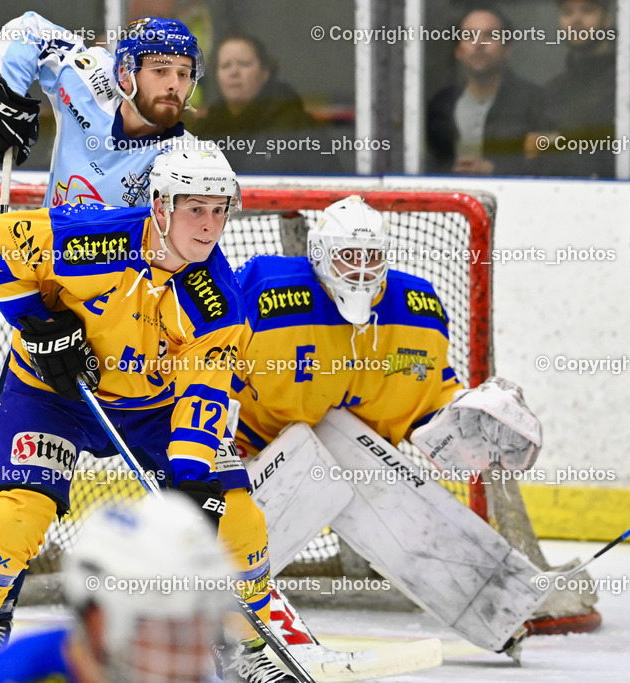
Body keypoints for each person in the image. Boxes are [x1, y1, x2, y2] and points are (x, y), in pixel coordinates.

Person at [0, 144, 293, 683]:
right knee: (13, 519)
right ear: (160, 206)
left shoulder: (219, 303)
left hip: (157, 411)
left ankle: (245, 649)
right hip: (53, 396)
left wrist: (194, 484)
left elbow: (203, 397)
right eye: (195, 208)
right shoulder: (92, 239)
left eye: (219, 210)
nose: (210, 225)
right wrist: (38, 324)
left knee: (239, 522)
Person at [231, 196, 551, 657]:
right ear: (319, 254)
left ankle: (496, 607)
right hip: (238, 452)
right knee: (301, 456)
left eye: (371, 256)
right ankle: (192, 608)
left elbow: (427, 402)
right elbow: (205, 367)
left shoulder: (415, 311)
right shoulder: (267, 292)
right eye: (348, 255)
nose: (361, 269)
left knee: (348, 457)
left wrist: (466, 416)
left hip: (322, 447)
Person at [0, 492, 236, 682]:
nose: (186, 659)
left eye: (197, 629)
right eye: (166, 631)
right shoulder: (7, 675)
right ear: (96, 619)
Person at [0, 13, 201, 207]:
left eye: (183, 74)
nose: (175, 85)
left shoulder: (189, 161)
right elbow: (29, 29)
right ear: (124, 74)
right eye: (160, 70)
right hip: (49, 242)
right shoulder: (89, 81)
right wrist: (7, 99)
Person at [193, 34, 340, 175]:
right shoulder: (206, 130)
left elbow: (329, 185)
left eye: (244, 64)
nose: (234, 72)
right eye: (225, 66)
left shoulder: (297, 128)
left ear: (265, 72)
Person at [425, 7, 543, 176]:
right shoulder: (440, 106)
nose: (479, 44)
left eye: (490, 36)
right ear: (458, 50)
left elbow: (548, 166)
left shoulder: (535, 102)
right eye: (469, 36)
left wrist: (495, 171)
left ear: (507, 49)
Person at [526, 0, 616, 178]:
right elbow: (536, 159)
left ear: (607, 18)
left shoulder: (623, 83)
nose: (576, 20)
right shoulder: (553, 91)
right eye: (567, 12)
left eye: (587, 10)